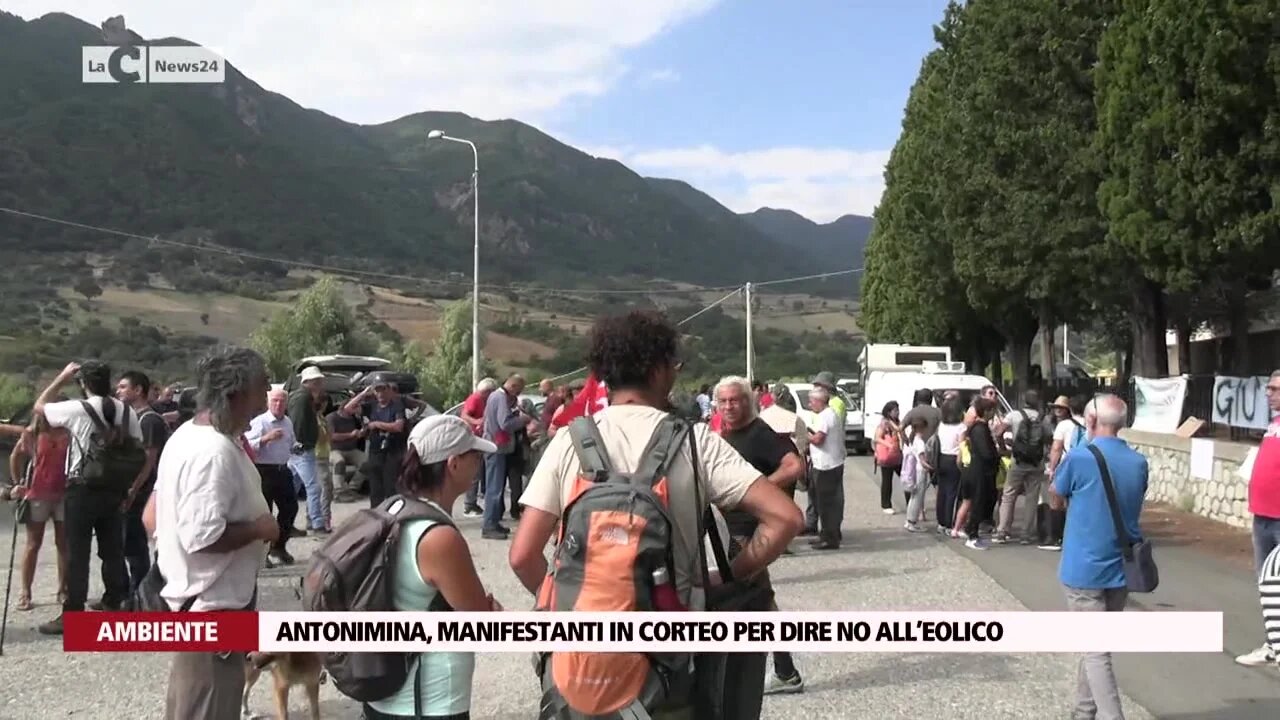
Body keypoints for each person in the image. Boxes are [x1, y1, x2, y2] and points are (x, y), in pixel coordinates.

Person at [510, 310, 803, 719]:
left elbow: (522, 556)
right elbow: (786, 518)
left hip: (578, 660)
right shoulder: (696, 441)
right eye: (674, 365)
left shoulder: (570, 441)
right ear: (657, 368)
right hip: (668, 659)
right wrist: (730, 575)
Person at [144, 346, 278, 720]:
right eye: (261, 385)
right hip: (209, 613)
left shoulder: (188, 436)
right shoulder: (212, 452)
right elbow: (201, 538)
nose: (265, 395)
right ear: (235, 393)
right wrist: (260, 527)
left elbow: (150, 516)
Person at [364, 414, 502, 720]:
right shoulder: (439, 537)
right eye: (474, 456)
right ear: (453, 464)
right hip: (429, 699)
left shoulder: (392, 510)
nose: (479, 464)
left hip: (382, 693)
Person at [1050, 394, 1146, 720]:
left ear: (1090, 422)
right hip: (1122, 567)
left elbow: (1055, 499)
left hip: (1083, 568)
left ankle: (1110, 715)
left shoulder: (1079, 458)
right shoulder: (1138, 461)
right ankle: (1083, 711)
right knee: (1097, 649)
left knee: (1095, 651)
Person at [712, 376, 807, 695]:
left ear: (748, 401)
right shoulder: (729, 433)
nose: (728, 406)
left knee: (733, 598)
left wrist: (758, 492)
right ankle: (784, 671)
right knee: (760, 600)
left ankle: (733, 674)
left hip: (746, 531)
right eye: (723, 401)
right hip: (730, 529)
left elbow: (794, 465)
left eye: (735, 400)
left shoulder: (760, 432)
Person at [33, 360, 142, 634]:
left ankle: (73, 613)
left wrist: (61, 377)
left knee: (76, 552)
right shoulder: (127, 411)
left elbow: (40, 407)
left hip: (82, 488)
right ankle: (116, 601)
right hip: (115, 488)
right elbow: (137, 449)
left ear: (83, 384)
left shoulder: (76, 409)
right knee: (113, 549)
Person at [1237, 369, 1280, 666]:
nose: (1269, 393)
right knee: (1266, 583)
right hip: (1262, 515)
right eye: (1268, 388)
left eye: (1275, 389)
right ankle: (1273, 643)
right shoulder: (1274, 423)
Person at [7, 412, 69, 611]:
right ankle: (25, 592)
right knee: (33, 544)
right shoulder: (34, 434)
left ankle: (63, 589)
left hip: (64, 494)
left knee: (63, 543)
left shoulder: (70, 432)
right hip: (37, 494)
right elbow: (15, 456)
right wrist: (18, 484)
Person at [115, 370, 170, 593]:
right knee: (128, 544)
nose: (118, 391)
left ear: (138, 390)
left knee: (136, 546)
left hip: (143, 492)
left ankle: (139, 595)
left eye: (123, 387)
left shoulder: (149, 420)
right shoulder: (132, 418)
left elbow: (149, 460)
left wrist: (133, 489)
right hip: (133, 490)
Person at [245, 389, 299, 567]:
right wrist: (265, 439)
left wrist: (296, 446)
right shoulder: (260, 422)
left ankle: (279, 546)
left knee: (290, 509)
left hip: (282, 469)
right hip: (264, 471)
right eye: (275, 401)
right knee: (264, 513)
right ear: (268, 402)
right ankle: (263, 553)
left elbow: (290, 442)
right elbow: (246, 445)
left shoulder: (288, 422)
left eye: (282, 401)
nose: (278, 404)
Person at [995, 389, 1052, 545]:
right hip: (1036, 463)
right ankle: (1025, 534)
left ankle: (1003, 530)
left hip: (1018, 460)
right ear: (1037, 401)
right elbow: (1048, 438)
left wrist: (1004, 448)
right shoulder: (1042, 419)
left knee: (1009, 494)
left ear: (1023, 400)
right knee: (1031, 497)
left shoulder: (1014, 415)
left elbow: (998, 432)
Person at [343, 377, 408, 507]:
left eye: (383, 390)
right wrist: (363, 393)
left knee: (391, 485)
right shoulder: (371, 406)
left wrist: (377, 424)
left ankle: (393, 513)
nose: (380, 394)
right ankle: (376, 513)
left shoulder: (396, 406)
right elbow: (348, 408)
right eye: (377, 390)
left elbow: (398, 426)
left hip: (392, 450)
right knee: (375, 486)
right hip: (375, 450)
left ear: (389, 390)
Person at [481, 374, 530, 539]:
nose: (516, 396)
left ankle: (493, 522)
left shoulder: (494, 396)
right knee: (494, 488)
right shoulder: (501, 397)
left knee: (495, 486)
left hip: (495, 446)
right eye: (518, 391)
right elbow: (505, 423)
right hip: (496, 447)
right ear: (513, 387)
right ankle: (489, 525)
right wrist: (522, 420)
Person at [287, 366, 328, 534]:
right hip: (303, 449)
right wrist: (298, 443)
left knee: (292, 488)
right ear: (307, 382)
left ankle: (287, 524)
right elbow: (297, 422)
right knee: (313, 487)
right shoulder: (302, 398)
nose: (319, 383)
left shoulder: (303, 397)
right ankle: (316, 523)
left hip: (299, 448)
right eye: (316, 381)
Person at [1045, 395, 1087, 551]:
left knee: (1057, 501)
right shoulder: (1091, 425)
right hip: (1086, 466)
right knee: (1078, 502)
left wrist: (1052, 468)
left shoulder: (1064, 425)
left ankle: (1058, 537)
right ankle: (1079, 536)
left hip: (1066, 464)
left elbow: (1056, 448)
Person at [956, 397, 999, 550]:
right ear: (986, 411)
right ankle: (971, 534)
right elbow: (986, 452)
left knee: (980, 501)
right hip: (979, 470)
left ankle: (973, 532)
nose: (994, 413)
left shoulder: (980, 427)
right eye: (992, 410)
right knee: (978, 502)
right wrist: (996, 456)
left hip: (980, 470)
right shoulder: (979, 428)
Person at [807, 386, 845, 550]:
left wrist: (804, 434)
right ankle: (827, 534)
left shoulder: (825, 416)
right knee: (827, 501)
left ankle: (830, 538)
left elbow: (818, 439)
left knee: (826, 503)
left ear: (819, 401)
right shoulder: (830, 414)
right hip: (832, 462)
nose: (810, 404)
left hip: (826, 465)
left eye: (811, 401)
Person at [460, 377, 497, 517]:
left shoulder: (483, 400)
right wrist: (477, 422)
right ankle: (469, 505)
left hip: (479, 438)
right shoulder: (475, 399)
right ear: (487, 391)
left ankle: (472, 503)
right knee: (474, 473)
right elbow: (464, 414)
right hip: (474, 438)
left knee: (479, 472)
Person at [934, 399, 966, 533]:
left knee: (942, 492)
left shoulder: (941, 425)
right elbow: (962, 447)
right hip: (954, 459)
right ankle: (949, 523)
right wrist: (961, 465)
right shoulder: (961, 427)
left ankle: (941, 522)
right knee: (952, 493)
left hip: (941, 458)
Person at [874, 401, 903, 514]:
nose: (897, 412)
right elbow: (877, 438)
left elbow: (900, 432)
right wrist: (889, 445)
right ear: (888, 412)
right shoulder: (885, 423)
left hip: (897, 455)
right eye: (895, 410)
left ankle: (911, 503)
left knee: (905, 478)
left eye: (897, 410)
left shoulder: (897, 422)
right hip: (887, 456)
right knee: (887, 480)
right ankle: (886, 505)